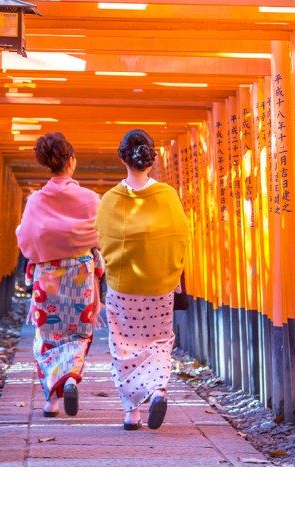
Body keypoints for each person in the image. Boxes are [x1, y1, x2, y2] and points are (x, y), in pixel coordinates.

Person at [95, 129, 190, 430]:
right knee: (160, 341)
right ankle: (158, 388)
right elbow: (180, 237)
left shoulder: (111, 200)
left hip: (124, 288)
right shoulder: (167, 196)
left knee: (123, 345)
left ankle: (131, 412)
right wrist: (171, 271)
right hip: (160, 286)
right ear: (151, 158)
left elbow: (101, 240)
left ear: (122, 158)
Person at [16, 132, 104, 417]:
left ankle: (50, 400)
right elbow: (102, 234)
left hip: (48, 275)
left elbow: (25, 238)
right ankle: (70, 376)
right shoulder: (90, 199)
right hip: (80, 274)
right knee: (79, 332)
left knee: (48, 334)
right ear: (71, 161)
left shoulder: (36, 201)